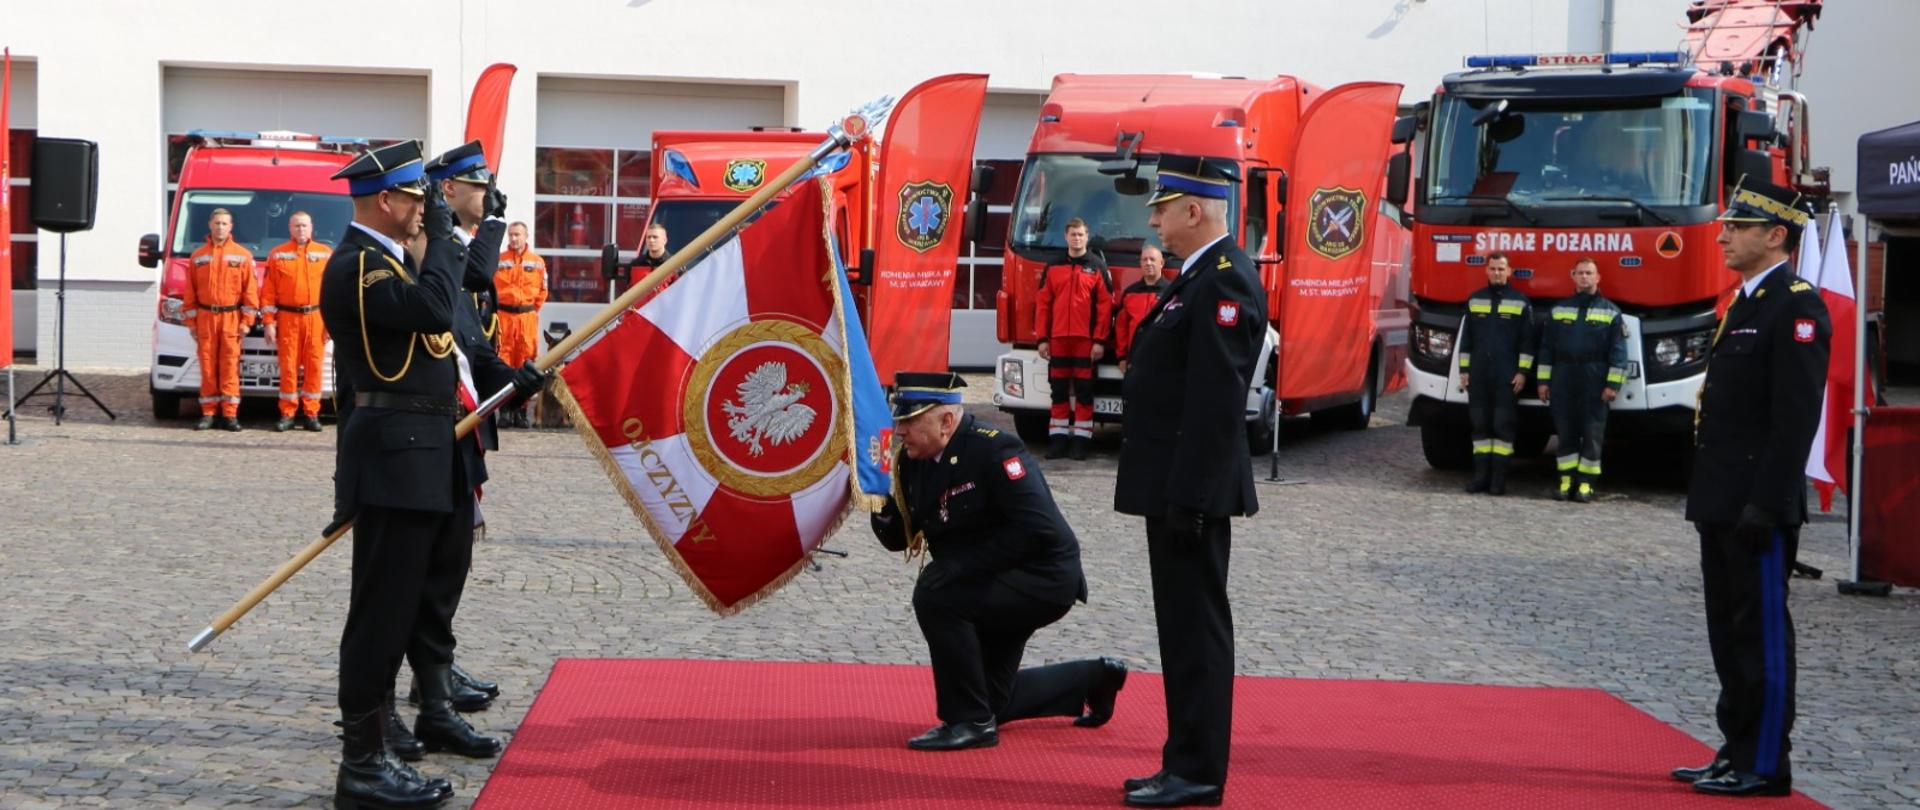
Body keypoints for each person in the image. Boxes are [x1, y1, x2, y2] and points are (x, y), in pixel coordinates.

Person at [318, 140, 541, 809]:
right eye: (419, 201)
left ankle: (383, 745)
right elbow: (438, 309)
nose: (428, 211)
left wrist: (511, 387)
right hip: (393, 455)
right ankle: (361, 766)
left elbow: (451, 347)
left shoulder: (392, 260)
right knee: (381, 616)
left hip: (426, 452)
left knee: (413, 602)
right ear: (387, 201)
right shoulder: (358, 268)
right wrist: (448, 239)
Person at [1114, 155, 1265, 808]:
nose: (1153, 220)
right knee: (1179, 630)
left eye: (1162, 208)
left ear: (1193, 211)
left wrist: (1191, 500)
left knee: (1197, 632)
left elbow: (1215, 404)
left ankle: (1199, 773)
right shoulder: (1199, 278)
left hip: (1190, 494)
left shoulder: (1224, 282)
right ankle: (1181, 761)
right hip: (1175, 487)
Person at [871, 372, 1127, 752]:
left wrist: (958, 567)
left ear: (946, 421)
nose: (901, 430)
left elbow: (1037, 532)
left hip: (1040, 578)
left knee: (936, 595)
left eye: (911, 420)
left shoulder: (995, 451)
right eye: (900, 419)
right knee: (991, 699)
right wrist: (879, 502)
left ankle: (968, 723)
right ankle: (1092, 677)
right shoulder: (913, 460)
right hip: (989, 578)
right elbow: (899, 539)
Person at [1672, 179, 1828, 798]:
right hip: (1722, 498)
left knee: (1759, 634)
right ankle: (1735, 747)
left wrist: (1767, 500)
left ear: (1775, 235)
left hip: (1757, 504)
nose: (1723, 235)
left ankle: (1764, 763)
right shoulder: (1746, 302)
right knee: (1727, 633)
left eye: (1736, 226)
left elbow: (1795, 418)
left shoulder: (1797, 305)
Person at [1535, 258, 1627, 502]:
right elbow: (1547, 350)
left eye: (1589, 273)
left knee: (1592, 433)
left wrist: (1612, 385)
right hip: (1563, 377)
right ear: (1572, 276)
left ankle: (1586, 483)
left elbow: (1618, 353)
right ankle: (1565, 480)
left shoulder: (1611, 312)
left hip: (1594, 378)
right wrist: (1543, 382)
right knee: (1565, 432)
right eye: (1580, 273)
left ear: (1598, 278)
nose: (1585, 277)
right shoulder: (1558, 311)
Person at [1034, 218, 1113, 459]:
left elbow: (1105, 306)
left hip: (1085, 341)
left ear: (1087, 237)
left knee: (1084, 392)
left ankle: (1081, 442)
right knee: (1058, 392)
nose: (1077, 238)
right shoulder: (1053, 266)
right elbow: (1043, 304)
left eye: (1081, 234)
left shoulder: (1096, 266)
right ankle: (1057, 440)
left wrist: (1099, 340)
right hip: (1058, 339)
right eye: (1073, 234)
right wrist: (1042, 339)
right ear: (1066, 237)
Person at [1457, 252, 1535, 495]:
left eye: (1501, 269)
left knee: (1503, 426)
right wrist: (1464, 370)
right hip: (1479, 374)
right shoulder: (1474, 300)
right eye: (1493, 268)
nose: (1497, 273)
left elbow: (1527, 342)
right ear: (1486, 271)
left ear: (1509, 271)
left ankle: (1498, 481)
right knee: (1479, 426)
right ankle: (1480, 478)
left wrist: (1522, 372)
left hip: (1506, 376)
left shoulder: (1520, 302)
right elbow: (1466, 339)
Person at [183, 208, 259, 432]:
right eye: (217, 223)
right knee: (207, 367)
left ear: (231, 226)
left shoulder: (242, 255)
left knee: (229, 367)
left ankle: (229, 414)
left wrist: (247, 321)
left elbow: (250, 293)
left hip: (231, 318)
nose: (220, 227)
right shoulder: (198, 256)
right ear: (210, 225)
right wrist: (191, 324)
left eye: (224, 223)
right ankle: (208, 413)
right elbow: (190, 294)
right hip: (206, 318)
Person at [261, 212, 332, 432]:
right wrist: (269, 323)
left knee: (314, 367)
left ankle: (312, 414)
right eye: (296, 226)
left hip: (316, 317)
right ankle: (288, 413)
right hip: (288, 318)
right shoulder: (278, 254)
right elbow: (268, 293)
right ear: (290, 229)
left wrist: (330, 324)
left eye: (304, 226)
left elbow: (332, 291)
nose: (301, 230)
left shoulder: (325, 254)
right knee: (288, 367)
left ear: (311, 228)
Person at [494, 222, 547, 427]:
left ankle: (521, 410)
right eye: (511, 235)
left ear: (526, 236)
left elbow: (543, 291)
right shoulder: (499, 260)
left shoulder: (537, 262)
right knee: (503, 362)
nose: (514, 238)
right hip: (504, 317)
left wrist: (529, 312)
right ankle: (505, 409)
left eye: (518, 235)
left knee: (527, 363)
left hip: (526, 319)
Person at [1114, 245, 1169, 375]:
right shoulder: (1130, 293)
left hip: (1162, 358)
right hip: (1135, 357)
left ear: (1161, 263)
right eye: (1144, 260)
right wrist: (1121, 356)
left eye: (1152, 259)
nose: (1148, 263)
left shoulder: (1172, 292)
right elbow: (1121, 327)